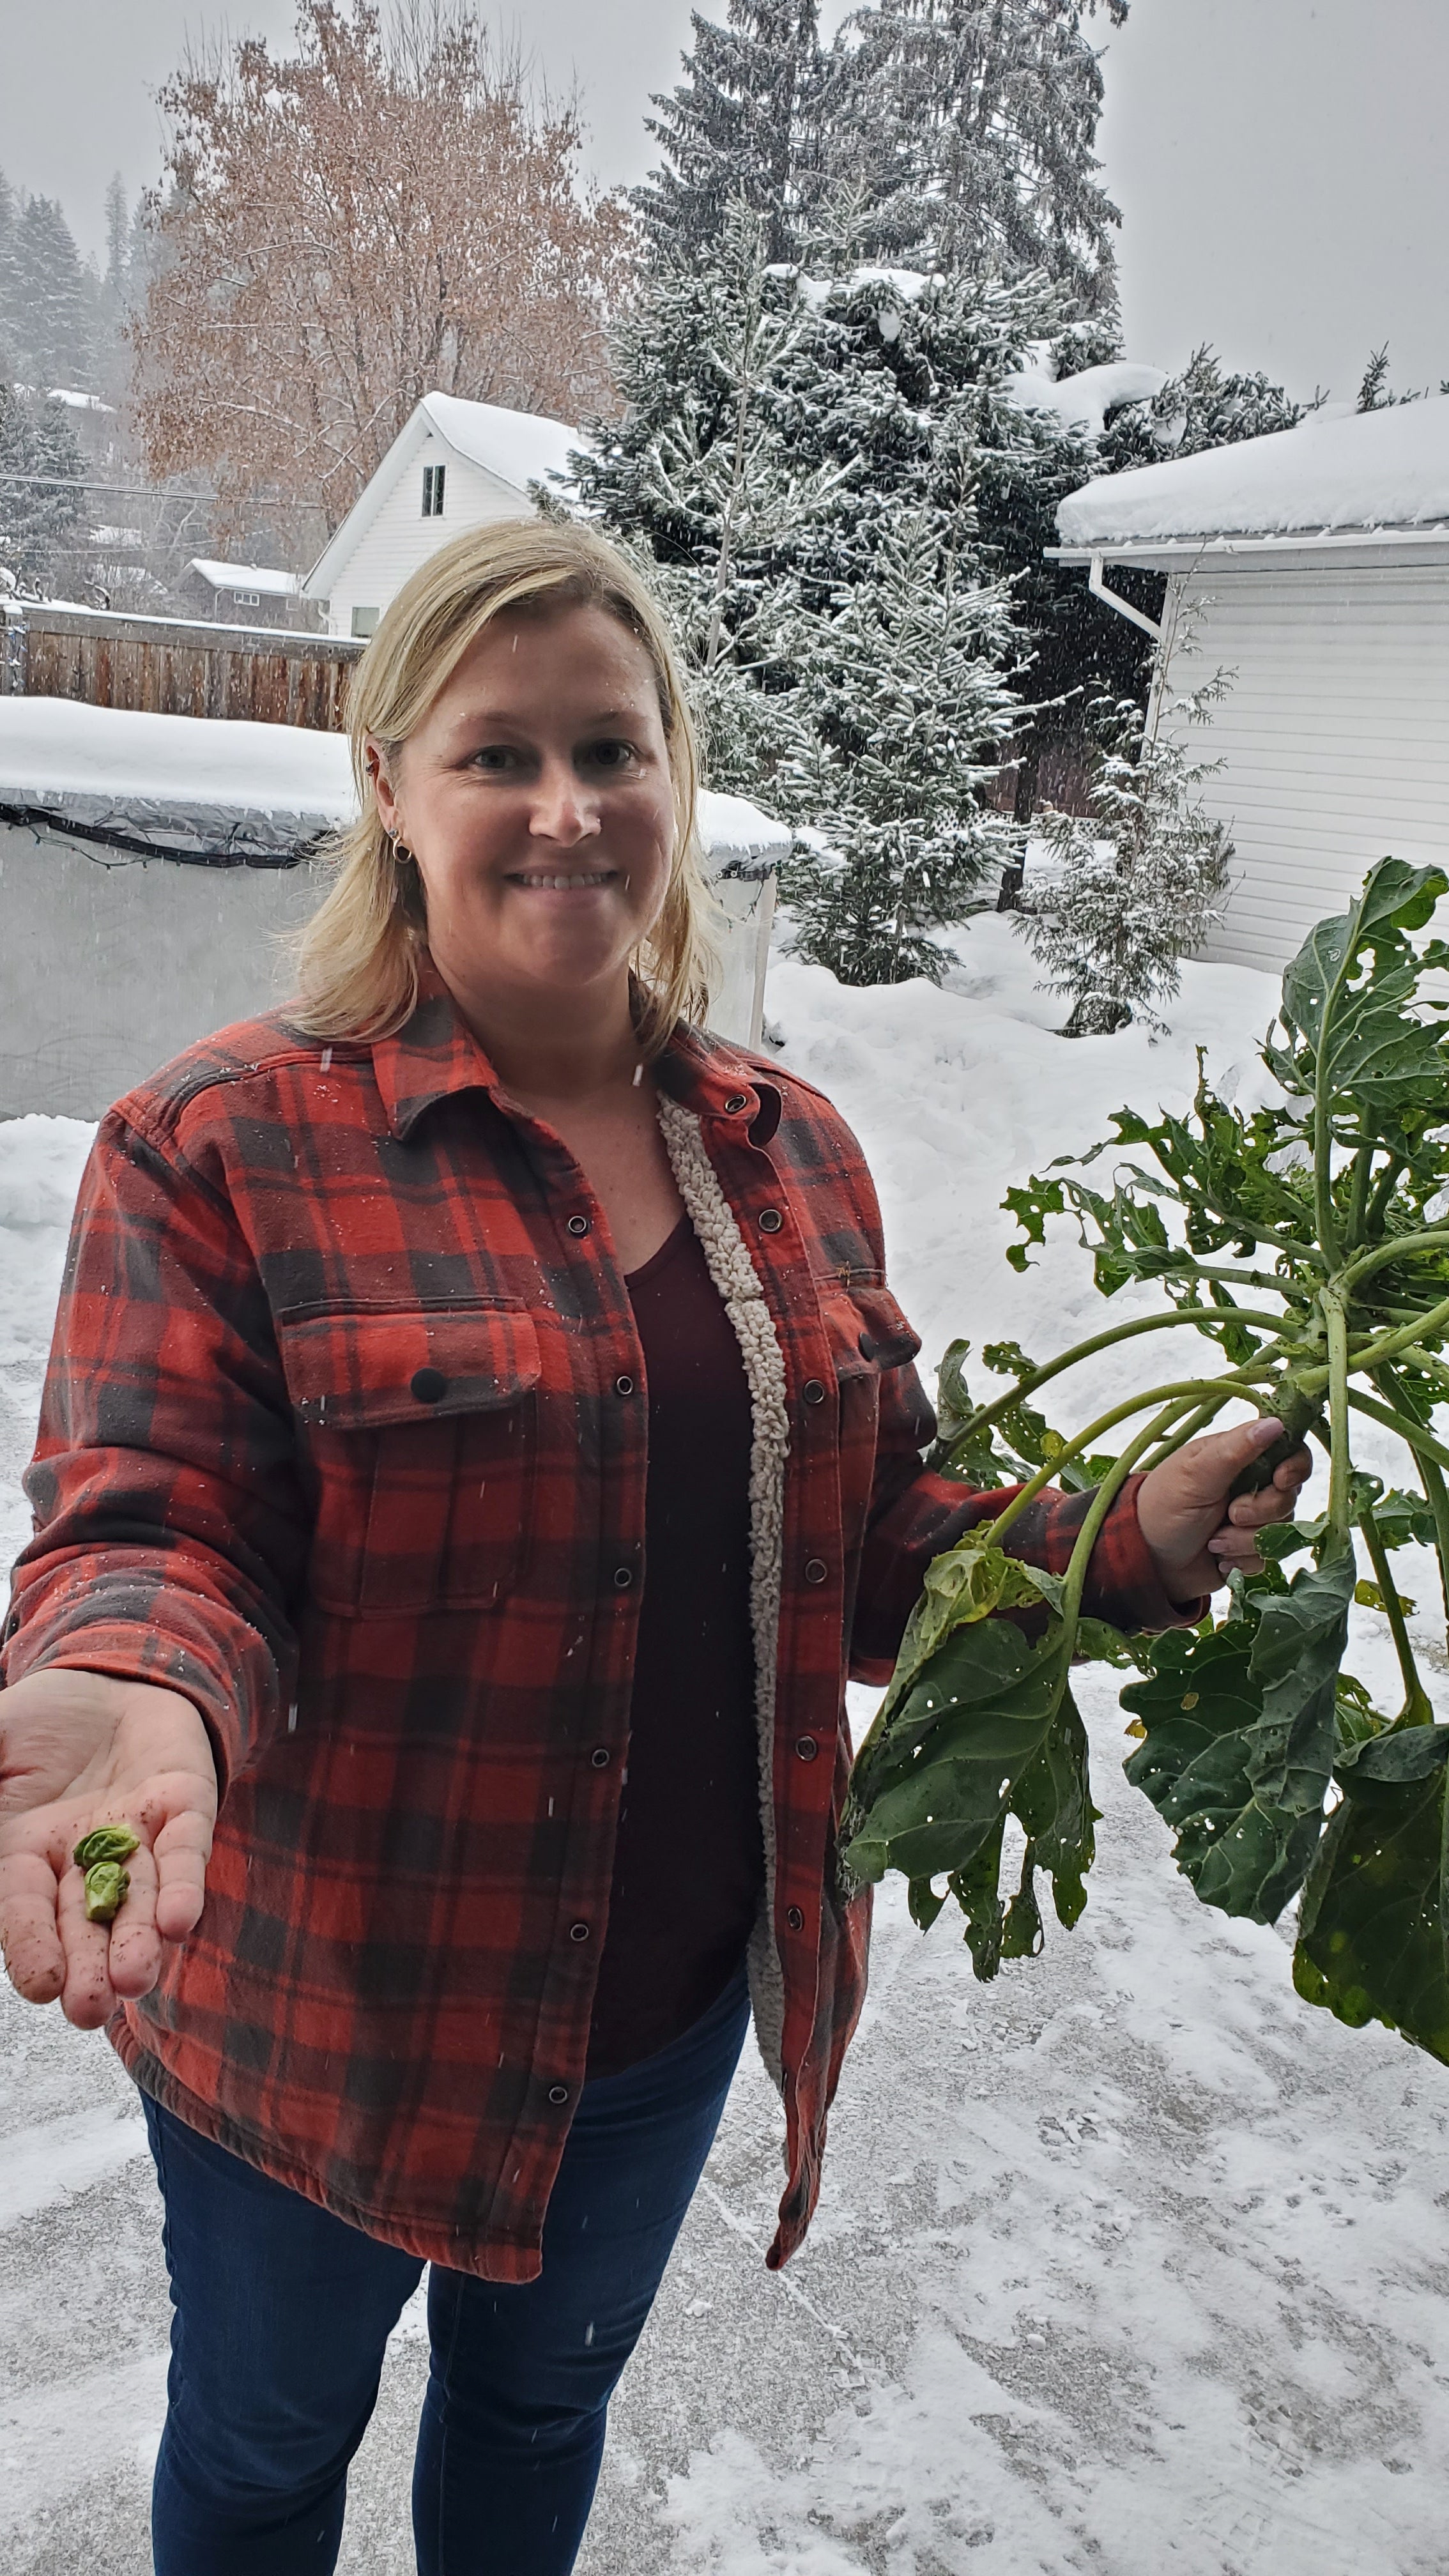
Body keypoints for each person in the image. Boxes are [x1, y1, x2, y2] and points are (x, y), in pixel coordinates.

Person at [0, 519, 1309, 2576]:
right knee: (264, 2451)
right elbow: (158, 1517)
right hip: (331, 2008)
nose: (563, 809)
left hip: (667, 2005)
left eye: (609, 749)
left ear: (673, 781)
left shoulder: (787, 1155)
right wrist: (135, 1671)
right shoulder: (224, 1143)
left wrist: (1109, 1540)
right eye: (496, 754)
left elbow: (867, 1547)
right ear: (391, 789)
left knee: (535, 2424)